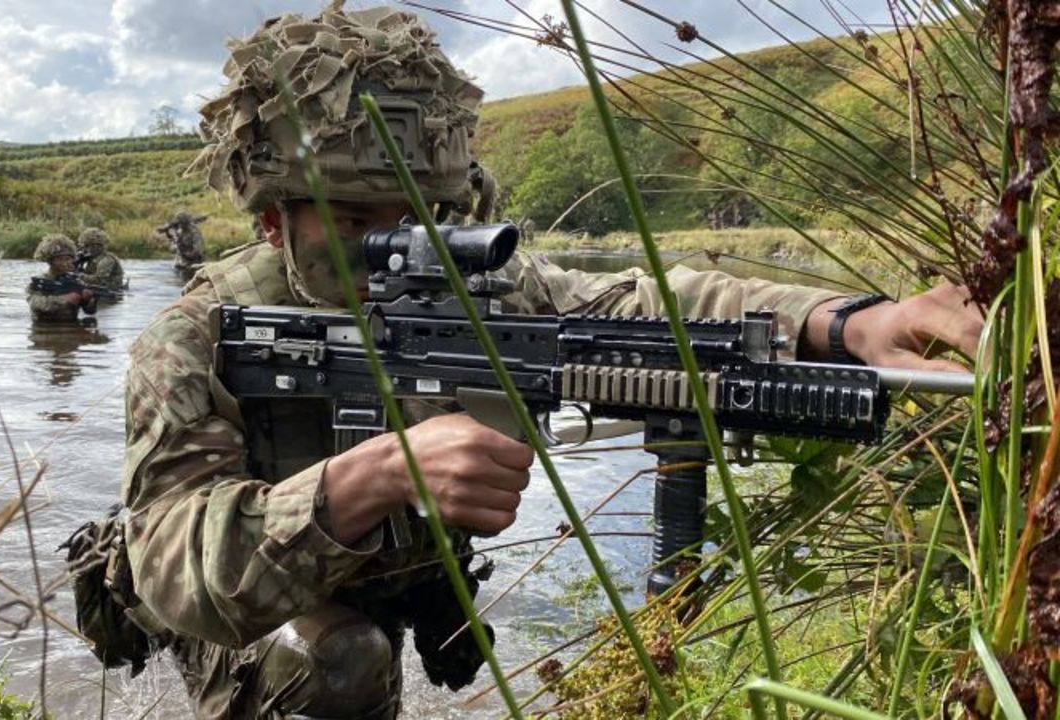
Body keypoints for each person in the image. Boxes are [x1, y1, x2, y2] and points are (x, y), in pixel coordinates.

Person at [116, 7, 983, 719]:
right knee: (342, 663)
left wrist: (848, 324)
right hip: (238, 608)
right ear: (275, 221)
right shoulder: (198, 337)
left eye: (422, 216)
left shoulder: (476, 285)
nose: (394, 247)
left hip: (395, 580)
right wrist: (370, 479)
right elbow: (172, 576)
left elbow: (646, 306)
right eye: (353, 223)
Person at [27, 234, 96, 323]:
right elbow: (35, 304)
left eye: (68, 259)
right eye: (60, 259)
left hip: (71, 327)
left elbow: (90, 311)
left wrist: (89, 300)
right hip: (43, 328)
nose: (65, 263)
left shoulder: (76, 281)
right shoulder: (39, 282)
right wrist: (64, 299)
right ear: (50, 261)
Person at [76, 227, 126, 292]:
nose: (85, 249)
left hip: (110, 293)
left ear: (97, 246)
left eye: (87, 246)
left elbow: (100, 280)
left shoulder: (107, 260)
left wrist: (79, 275)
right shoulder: (92, 258)